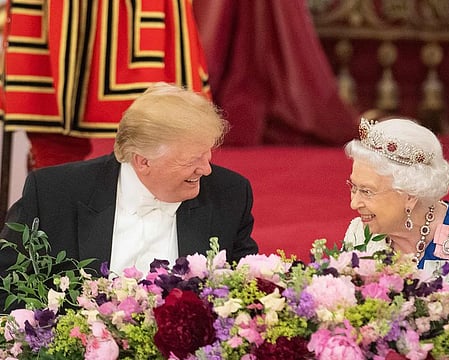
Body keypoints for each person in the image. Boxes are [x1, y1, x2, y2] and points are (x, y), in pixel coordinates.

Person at [0, 82, 258, 282]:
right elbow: (8, 285)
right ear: (142, 162)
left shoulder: (229, 194)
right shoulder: (53, 194)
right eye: (192, 160)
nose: (206, 169)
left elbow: (246, 287)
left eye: (207, 153)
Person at [342, 116, 449, 298]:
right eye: (354, 187)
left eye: (367, 191)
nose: (354, 203)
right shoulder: (359, 233)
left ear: (410, 195)